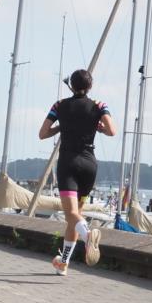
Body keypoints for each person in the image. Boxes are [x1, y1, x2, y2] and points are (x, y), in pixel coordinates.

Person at [38, 69, 116, 275]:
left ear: (71, 85)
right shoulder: (99, 106)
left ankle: (88, 235)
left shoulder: (59, 106)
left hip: (68, 164)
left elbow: (43, 133)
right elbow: (111, 131)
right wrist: (97, 127)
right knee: (75, 216)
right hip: (89, 164)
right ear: (90, 86)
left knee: (71, 214)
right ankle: (63, 264)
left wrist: (60, 128)